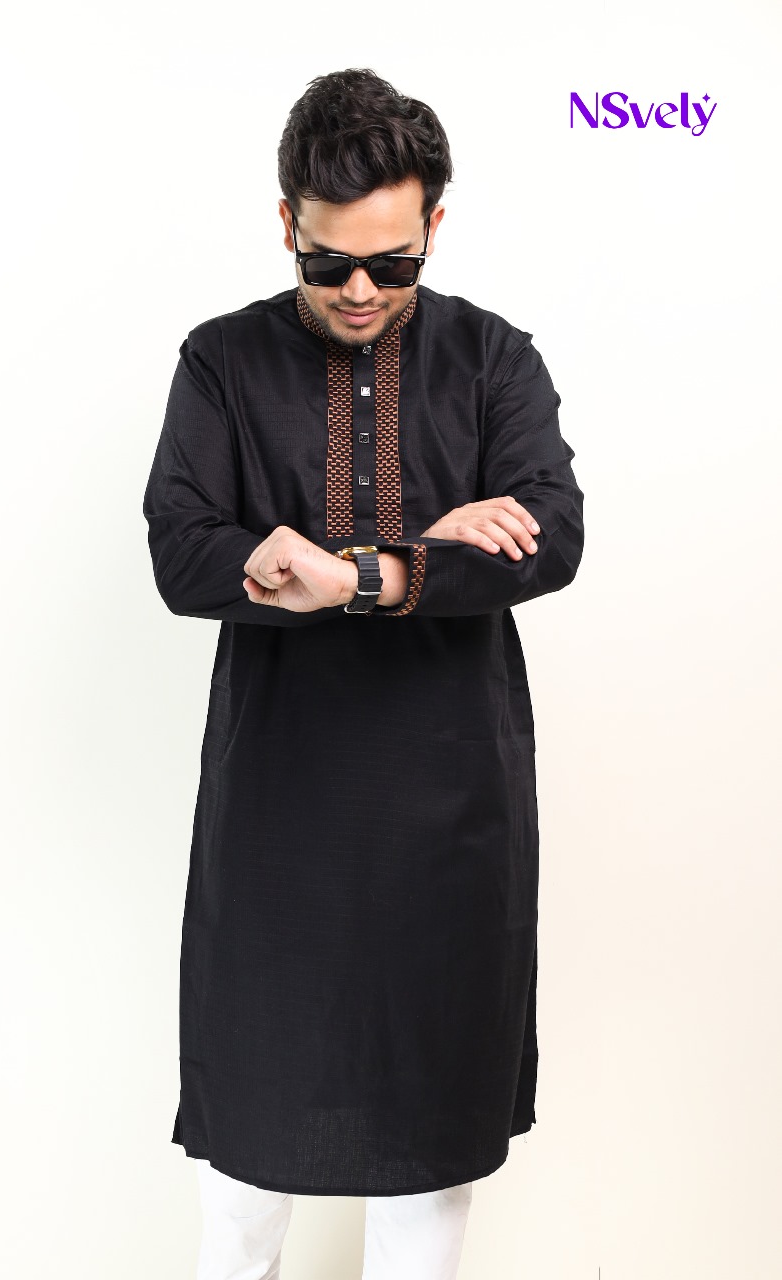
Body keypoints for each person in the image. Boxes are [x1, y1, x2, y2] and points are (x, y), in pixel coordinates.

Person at [143, 66, 585, 1280]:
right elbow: (183, 549)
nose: (358, 289)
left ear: (434, 224)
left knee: (428, 1162)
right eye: (330, 260)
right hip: (279, 811)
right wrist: (423, 544)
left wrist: (354, 574)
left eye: (393, 264)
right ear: (286, 220)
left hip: (451, 811)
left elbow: (550, 534)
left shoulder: (491, 359)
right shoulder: (222, 362)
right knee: (245, 1166)